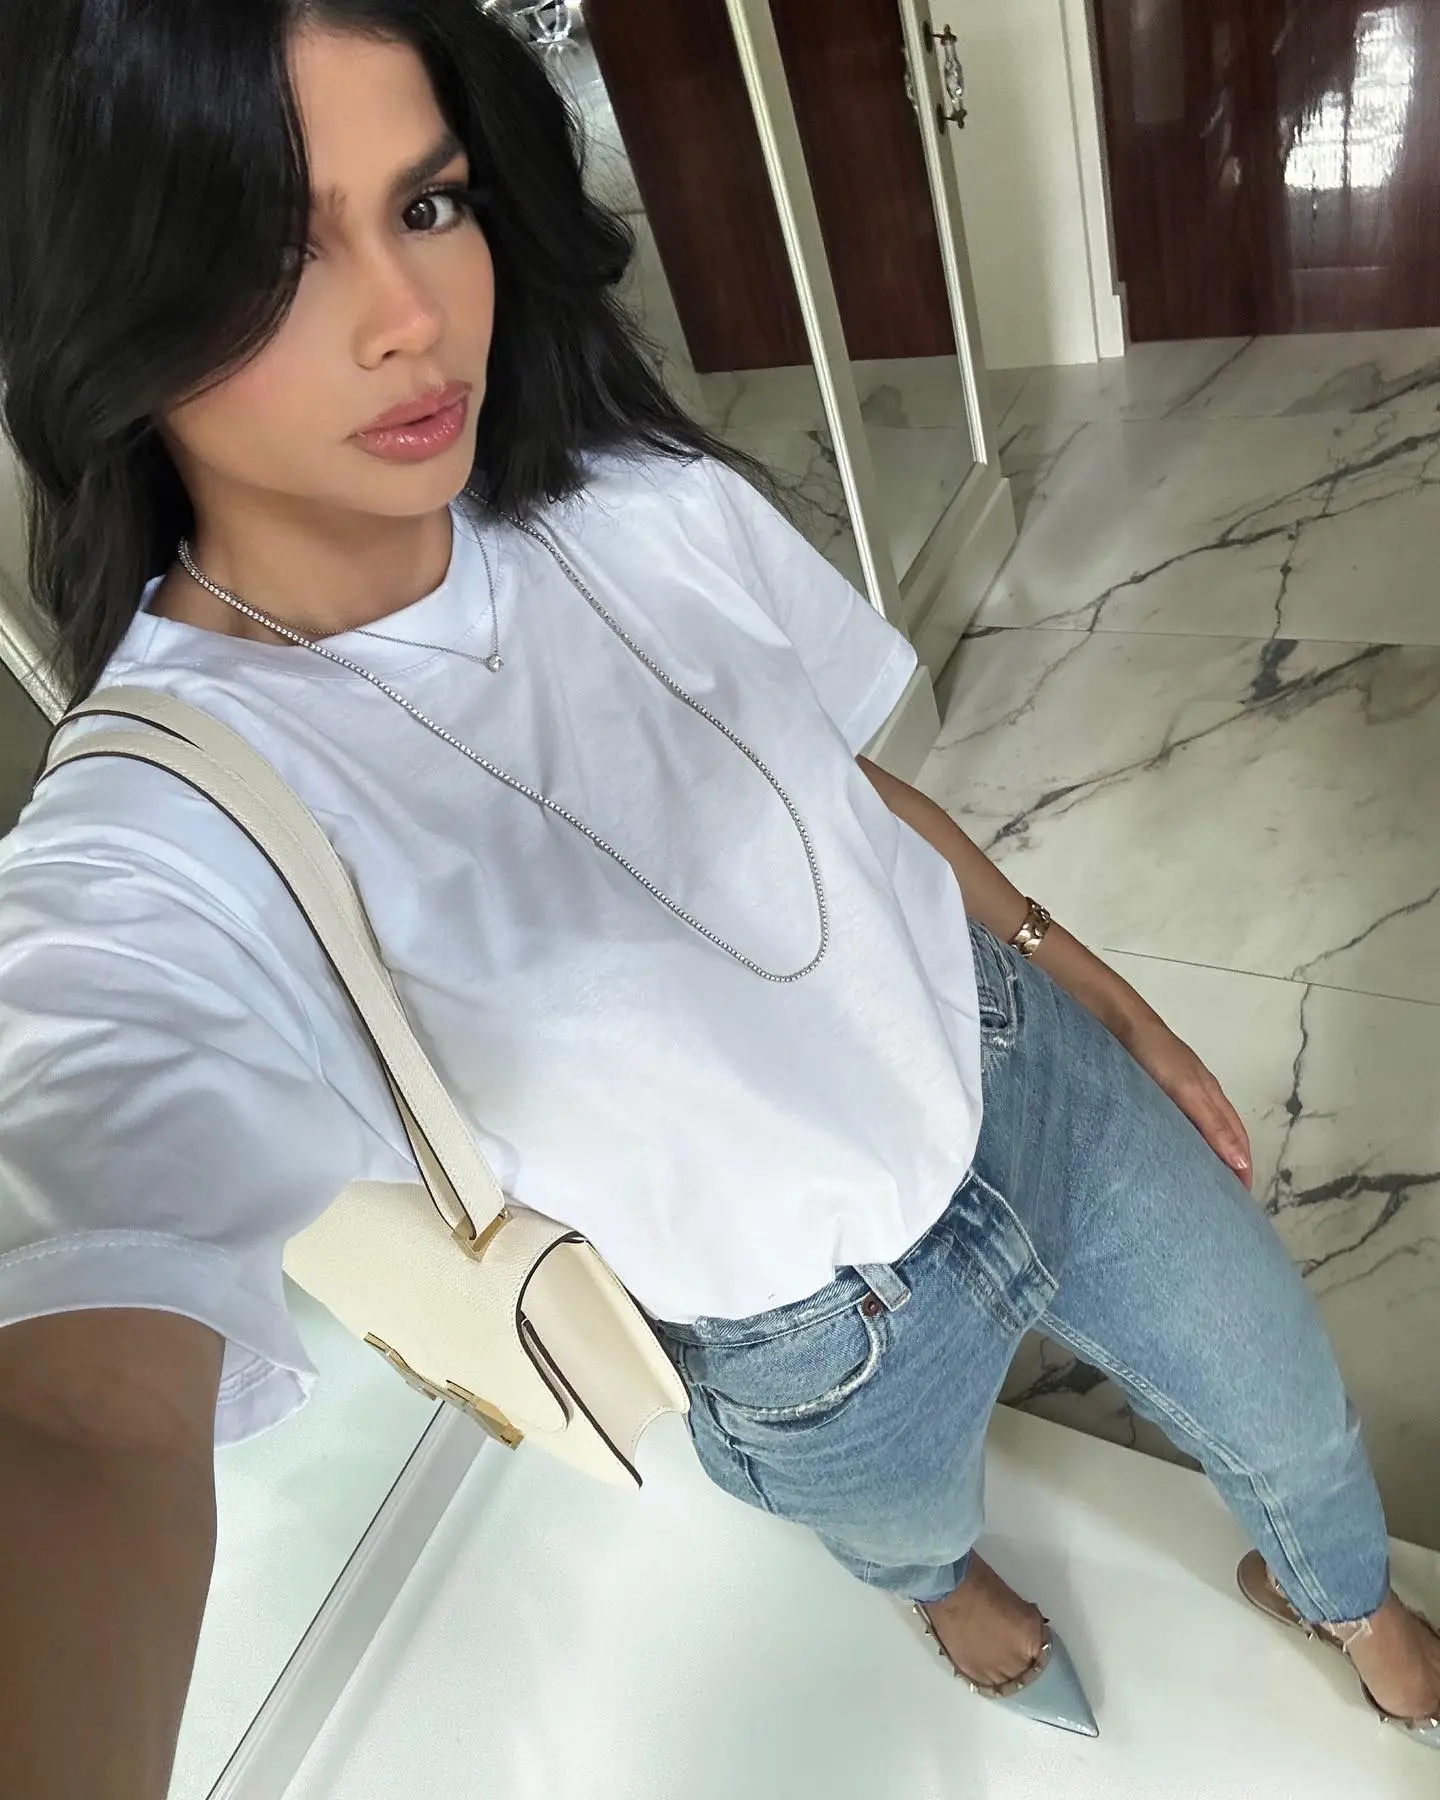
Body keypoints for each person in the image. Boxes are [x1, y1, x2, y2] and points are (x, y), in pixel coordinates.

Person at [0, 1, 1435, 1791]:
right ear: (108, 311)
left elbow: (829, 787)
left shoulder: (623, 488)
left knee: (1281, 1389)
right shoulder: (164, 824)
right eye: (276, 256)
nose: (409, 316)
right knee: (903, 1525)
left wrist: (1072, 967)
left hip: (1021, 1075)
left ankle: (1348, 1598)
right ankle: (938, 1584)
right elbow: (73, 1406)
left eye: (429, 205)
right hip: (809, 1339)